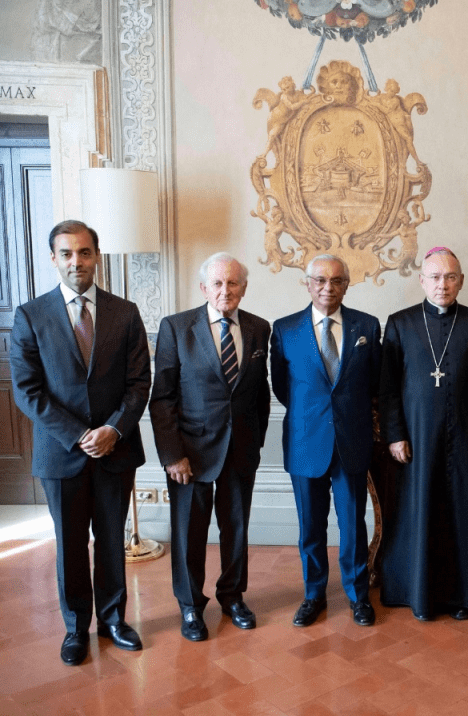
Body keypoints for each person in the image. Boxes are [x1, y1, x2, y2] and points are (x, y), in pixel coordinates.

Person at [11, 220, 150, 665]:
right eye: (67, 253)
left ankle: (113, 620)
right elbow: (27, 390)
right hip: (60, 454)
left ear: (97, 256)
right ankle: (76, 629)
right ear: (54, 258)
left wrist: (113, 429)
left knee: (111, 540)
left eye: (85, 253)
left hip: (116, 449)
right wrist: (78, 435)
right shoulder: (30, 315)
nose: (77, 262)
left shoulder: (125, 312)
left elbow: (138, 382)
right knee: (70, 544)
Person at [149, 253, 271, 642]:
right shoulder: (176, 327)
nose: (225, 290)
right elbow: (163, 397)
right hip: (190, 453)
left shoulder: (258, 329)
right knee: (189, 533)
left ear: (244, 288)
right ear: (204, 288)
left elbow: (260, 392)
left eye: (233, 283)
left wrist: (256, 442)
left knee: (235, 528)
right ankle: (190, 605)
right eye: (217, 284)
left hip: (240, 450)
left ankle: (233, 597)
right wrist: (171, 455)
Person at [379, 247, 468, 620]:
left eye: (450, 277)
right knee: (419, 512)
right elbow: (387, 388)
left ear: (461, 281)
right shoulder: (400, 323)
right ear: (422, 281)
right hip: (416, 441)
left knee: (464, 512)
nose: (442, 285)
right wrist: (395, 434)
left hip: (465, 440)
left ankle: (466, 596)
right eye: (434, 277)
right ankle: (418, 594)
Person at [270, 255, 381, 627]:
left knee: (352, 525)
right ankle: (313, 594)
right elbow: (284, 389)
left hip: (352, 440)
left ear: (346, 285)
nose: (327, 288)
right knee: (311, 527)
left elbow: (374, 384)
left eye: (336, 281)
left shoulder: (368, 326)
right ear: (307, 283)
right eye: (319, 280)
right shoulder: (285, 330)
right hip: (305, 442)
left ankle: (358, 596)